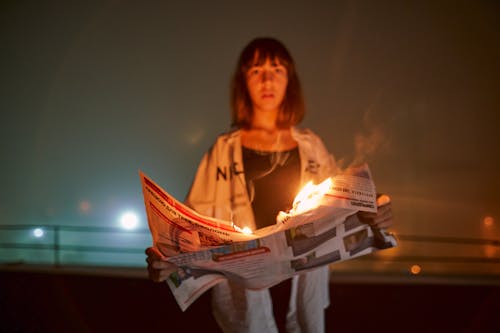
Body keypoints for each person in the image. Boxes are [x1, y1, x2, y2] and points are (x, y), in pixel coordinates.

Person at [146, 37, 393, 333]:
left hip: (302, 285)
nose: (267, 80)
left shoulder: (312, 146)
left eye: (276, 69)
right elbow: (192, 228)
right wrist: (171, 258)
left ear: (290, 79)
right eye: (255, 70)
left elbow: (339, 211)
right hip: (244, 290)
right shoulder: (223, 151)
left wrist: (372, 212)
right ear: (243, 82)